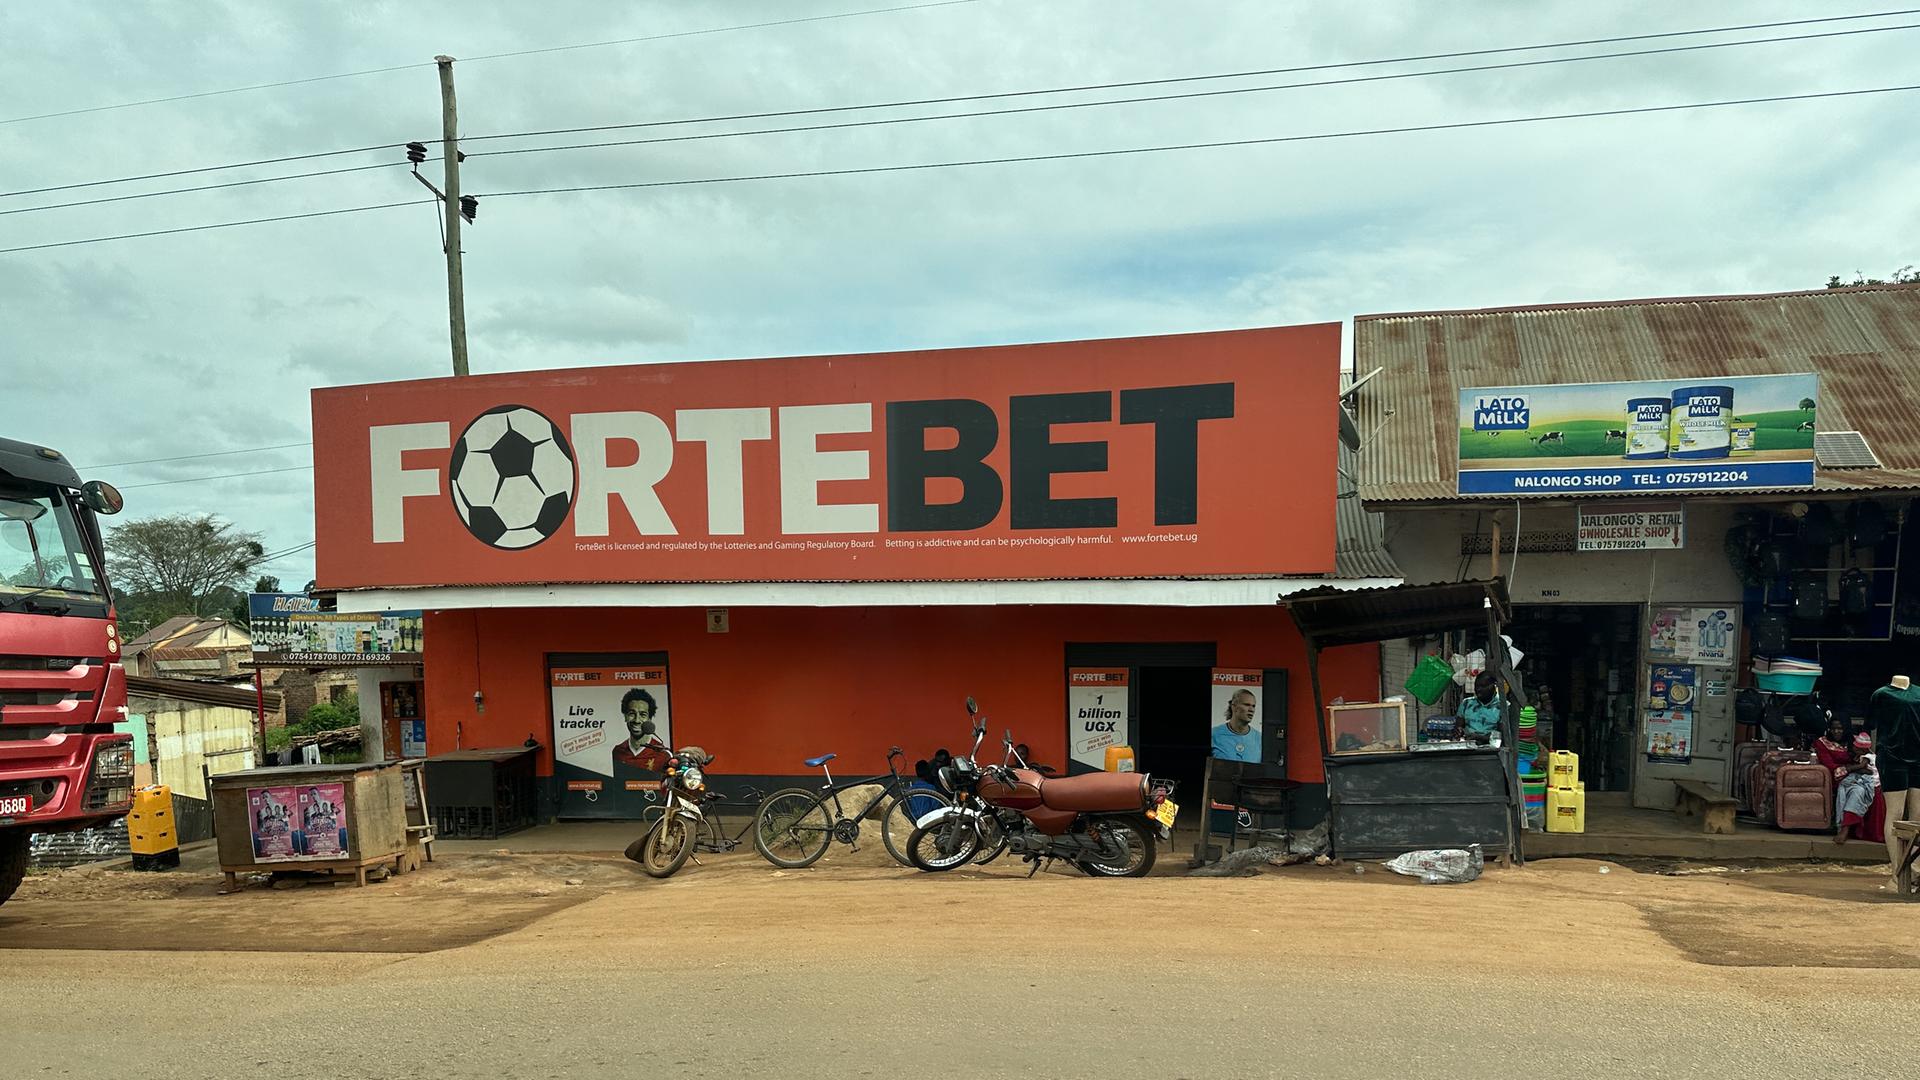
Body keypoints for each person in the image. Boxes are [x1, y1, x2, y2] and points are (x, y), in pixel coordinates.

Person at [1815, 717, 1877, 843]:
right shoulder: (1822, 742)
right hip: (1836, 777)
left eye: (1840, 728)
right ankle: (1845, 829)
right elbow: (1830, 765)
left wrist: (1858, 770)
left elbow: (1868, 761)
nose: (1836, 732)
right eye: (1833, 729)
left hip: (1858, 777)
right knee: (1856, 790)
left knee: (1860, 790)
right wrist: (1854, 769)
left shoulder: (1855, 741)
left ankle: (1848, 829)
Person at [612, 688, 664, 771]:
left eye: (643, 715)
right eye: (632, 714)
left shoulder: (662, 753)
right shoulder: (617, 752)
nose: (636, 720)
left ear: (649, 719)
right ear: (625, 716)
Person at [1211, 688, 1260, 762]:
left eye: (1253, 706)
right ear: (1233, 706)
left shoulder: (1259, 739)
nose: (1251, 709)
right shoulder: (1214, 734)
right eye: (1247, 705)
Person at [1458, 671, 1505, 741]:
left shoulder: (1503, 707)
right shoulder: (1466, 703)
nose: (1478, 689)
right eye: (1476, 686)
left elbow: (1503, 736)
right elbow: (1459, 725)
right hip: (1468, 745)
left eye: (1483, 686)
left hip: (1491, 749)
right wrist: (1459, 731)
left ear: (1494, 686)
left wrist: (1481, 738)